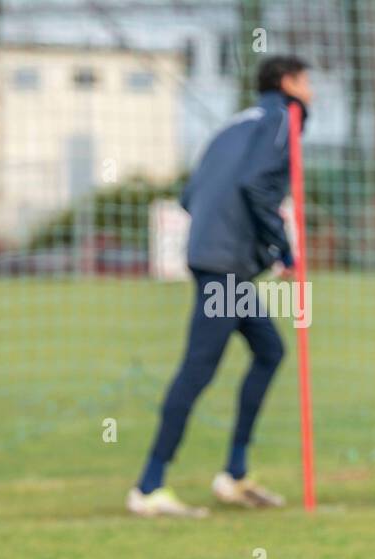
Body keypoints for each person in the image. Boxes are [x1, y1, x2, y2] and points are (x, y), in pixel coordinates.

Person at [128, 55, 313, 517]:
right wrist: (283, 251)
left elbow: (191, 195)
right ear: (288, 82)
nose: (313, 91)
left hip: (220, 261)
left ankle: (234, 474)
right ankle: (149, 486)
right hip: (225, 267)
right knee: (198, 369)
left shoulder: (234, 124)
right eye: (308, 81)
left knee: (269, 351)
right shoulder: (281, 119)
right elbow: (255, 186)